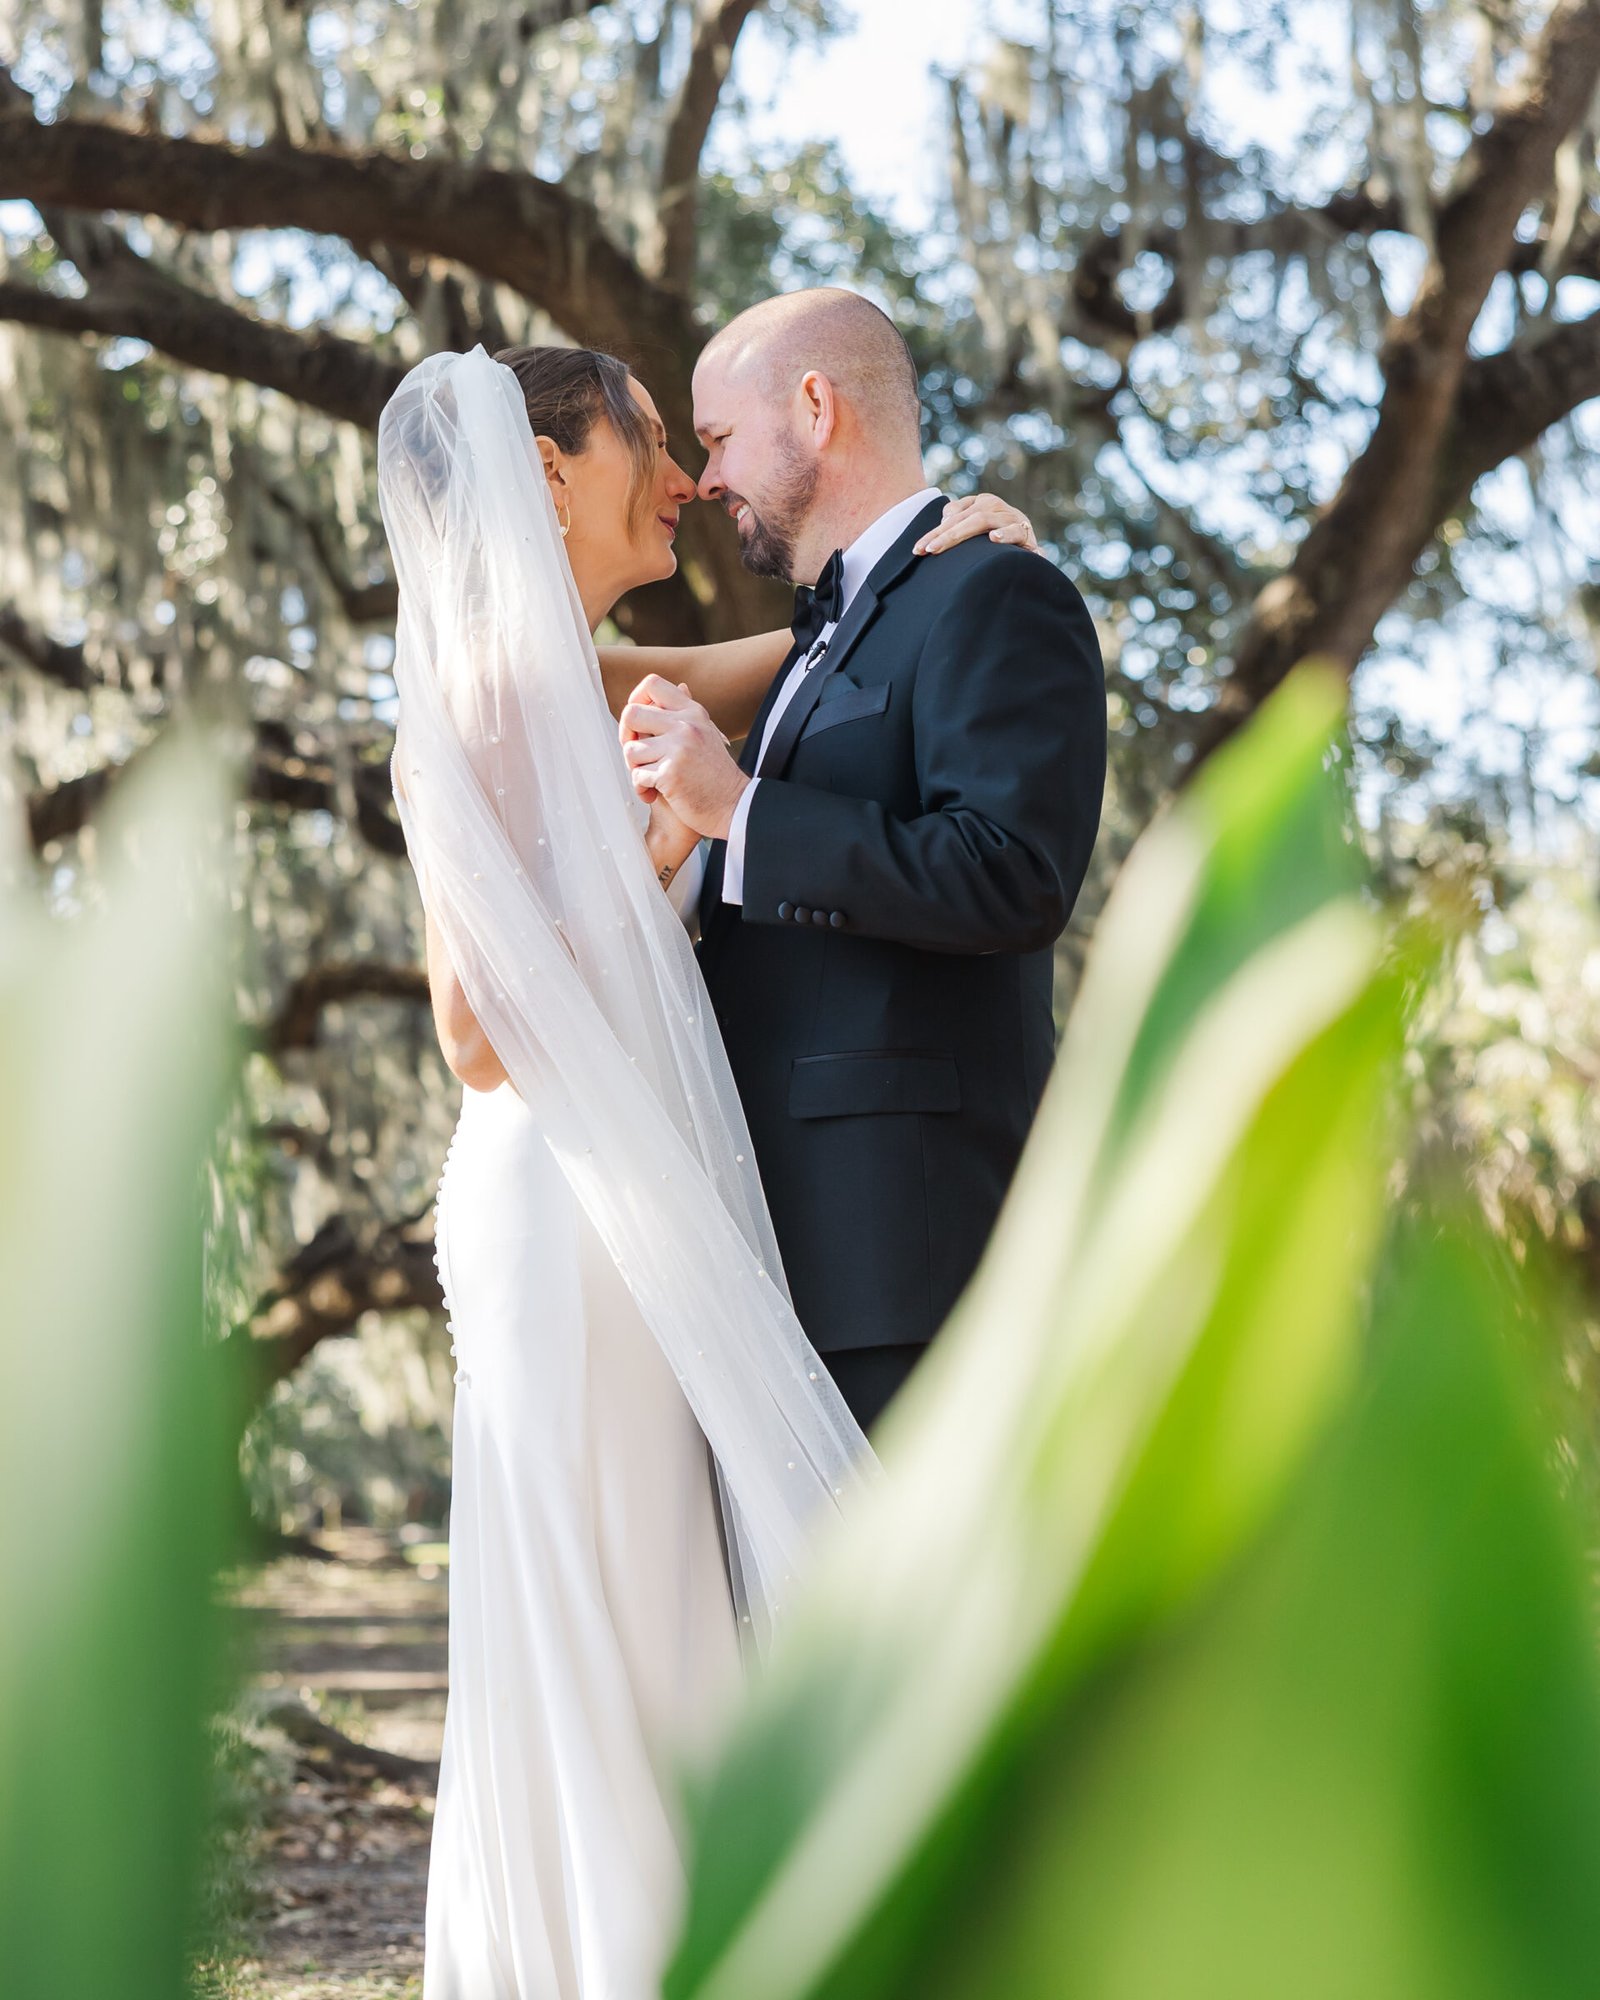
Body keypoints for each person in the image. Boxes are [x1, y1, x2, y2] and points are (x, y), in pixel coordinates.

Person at [377, 338, 1038, 2000]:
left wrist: (941, 542)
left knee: (665, 1595)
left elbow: (795, 655)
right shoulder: (479, 691)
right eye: (651, 443)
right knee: (601, 1606)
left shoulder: (573, 673)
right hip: (558, 1207)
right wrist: (671, 843)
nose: (683, 481)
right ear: (547, 472)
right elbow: (472, 1033)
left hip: (631, 1203)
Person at [622, 288, 1107, 1435]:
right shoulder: (812, 638)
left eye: (719, 437)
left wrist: (740, 808)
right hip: (777, 1249)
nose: (703, 478)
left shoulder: (995, 590)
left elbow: (1009, 873)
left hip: (904, 1258)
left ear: (815, 405)